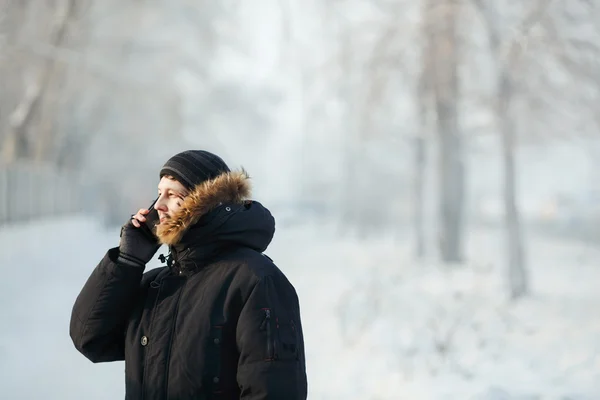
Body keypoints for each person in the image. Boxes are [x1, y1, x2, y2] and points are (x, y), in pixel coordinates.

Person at [70, 150, 308, 400]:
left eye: (172, 195)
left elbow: (273, 391)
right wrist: (127, 261)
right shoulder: (156, 286)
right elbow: (91, 338)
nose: (158, 206)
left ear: (205, 202)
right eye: (159, 194)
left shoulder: (255, 280)